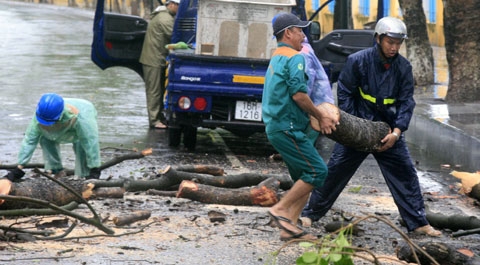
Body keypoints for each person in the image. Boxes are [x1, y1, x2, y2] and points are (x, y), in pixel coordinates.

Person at [301, 17, 442, 237]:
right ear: (378, 38)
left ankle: (418, 223)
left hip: (387, 131)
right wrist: (355, 127)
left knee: (405, 175)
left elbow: (406, 102)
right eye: (390, 42)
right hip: (359, 129)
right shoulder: (358, 61)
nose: (394, 47)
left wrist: (396, 132)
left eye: (398, 43)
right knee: (335, 172)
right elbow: (345, 93)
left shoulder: (404, 67)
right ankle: (310, 213)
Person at [262, 12, 339, 241]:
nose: (303, 36)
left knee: (303, 179)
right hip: (289, 127)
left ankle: (291, 229)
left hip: (278, 126)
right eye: (299, 31)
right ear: (288, 33)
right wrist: (320, 115)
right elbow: (299, 95)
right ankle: (280, 210)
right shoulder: (295, 58)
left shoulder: (277, 56)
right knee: (318, 171)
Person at [2, 93, 102, 181]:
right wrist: (19, 168)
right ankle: (56, 170)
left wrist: (95, 168)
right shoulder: (40, 114)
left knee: (81, 143)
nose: (46, 125)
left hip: (81, 114)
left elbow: (90, 141)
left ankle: (86, 173)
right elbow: (29, 141)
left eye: (48, 123)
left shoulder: (82, 118)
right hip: (57, 119)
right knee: (44, 138)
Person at [139, 0, 181, 129]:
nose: (180, 9)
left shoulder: (163, 14)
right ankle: (154, 120)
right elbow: (174, 36)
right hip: (153, 60)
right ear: (172, 4)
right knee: (154, 91)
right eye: (179, 6)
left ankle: (159, 117)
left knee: (158, 90)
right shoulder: (165, 19)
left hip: (156, 58)